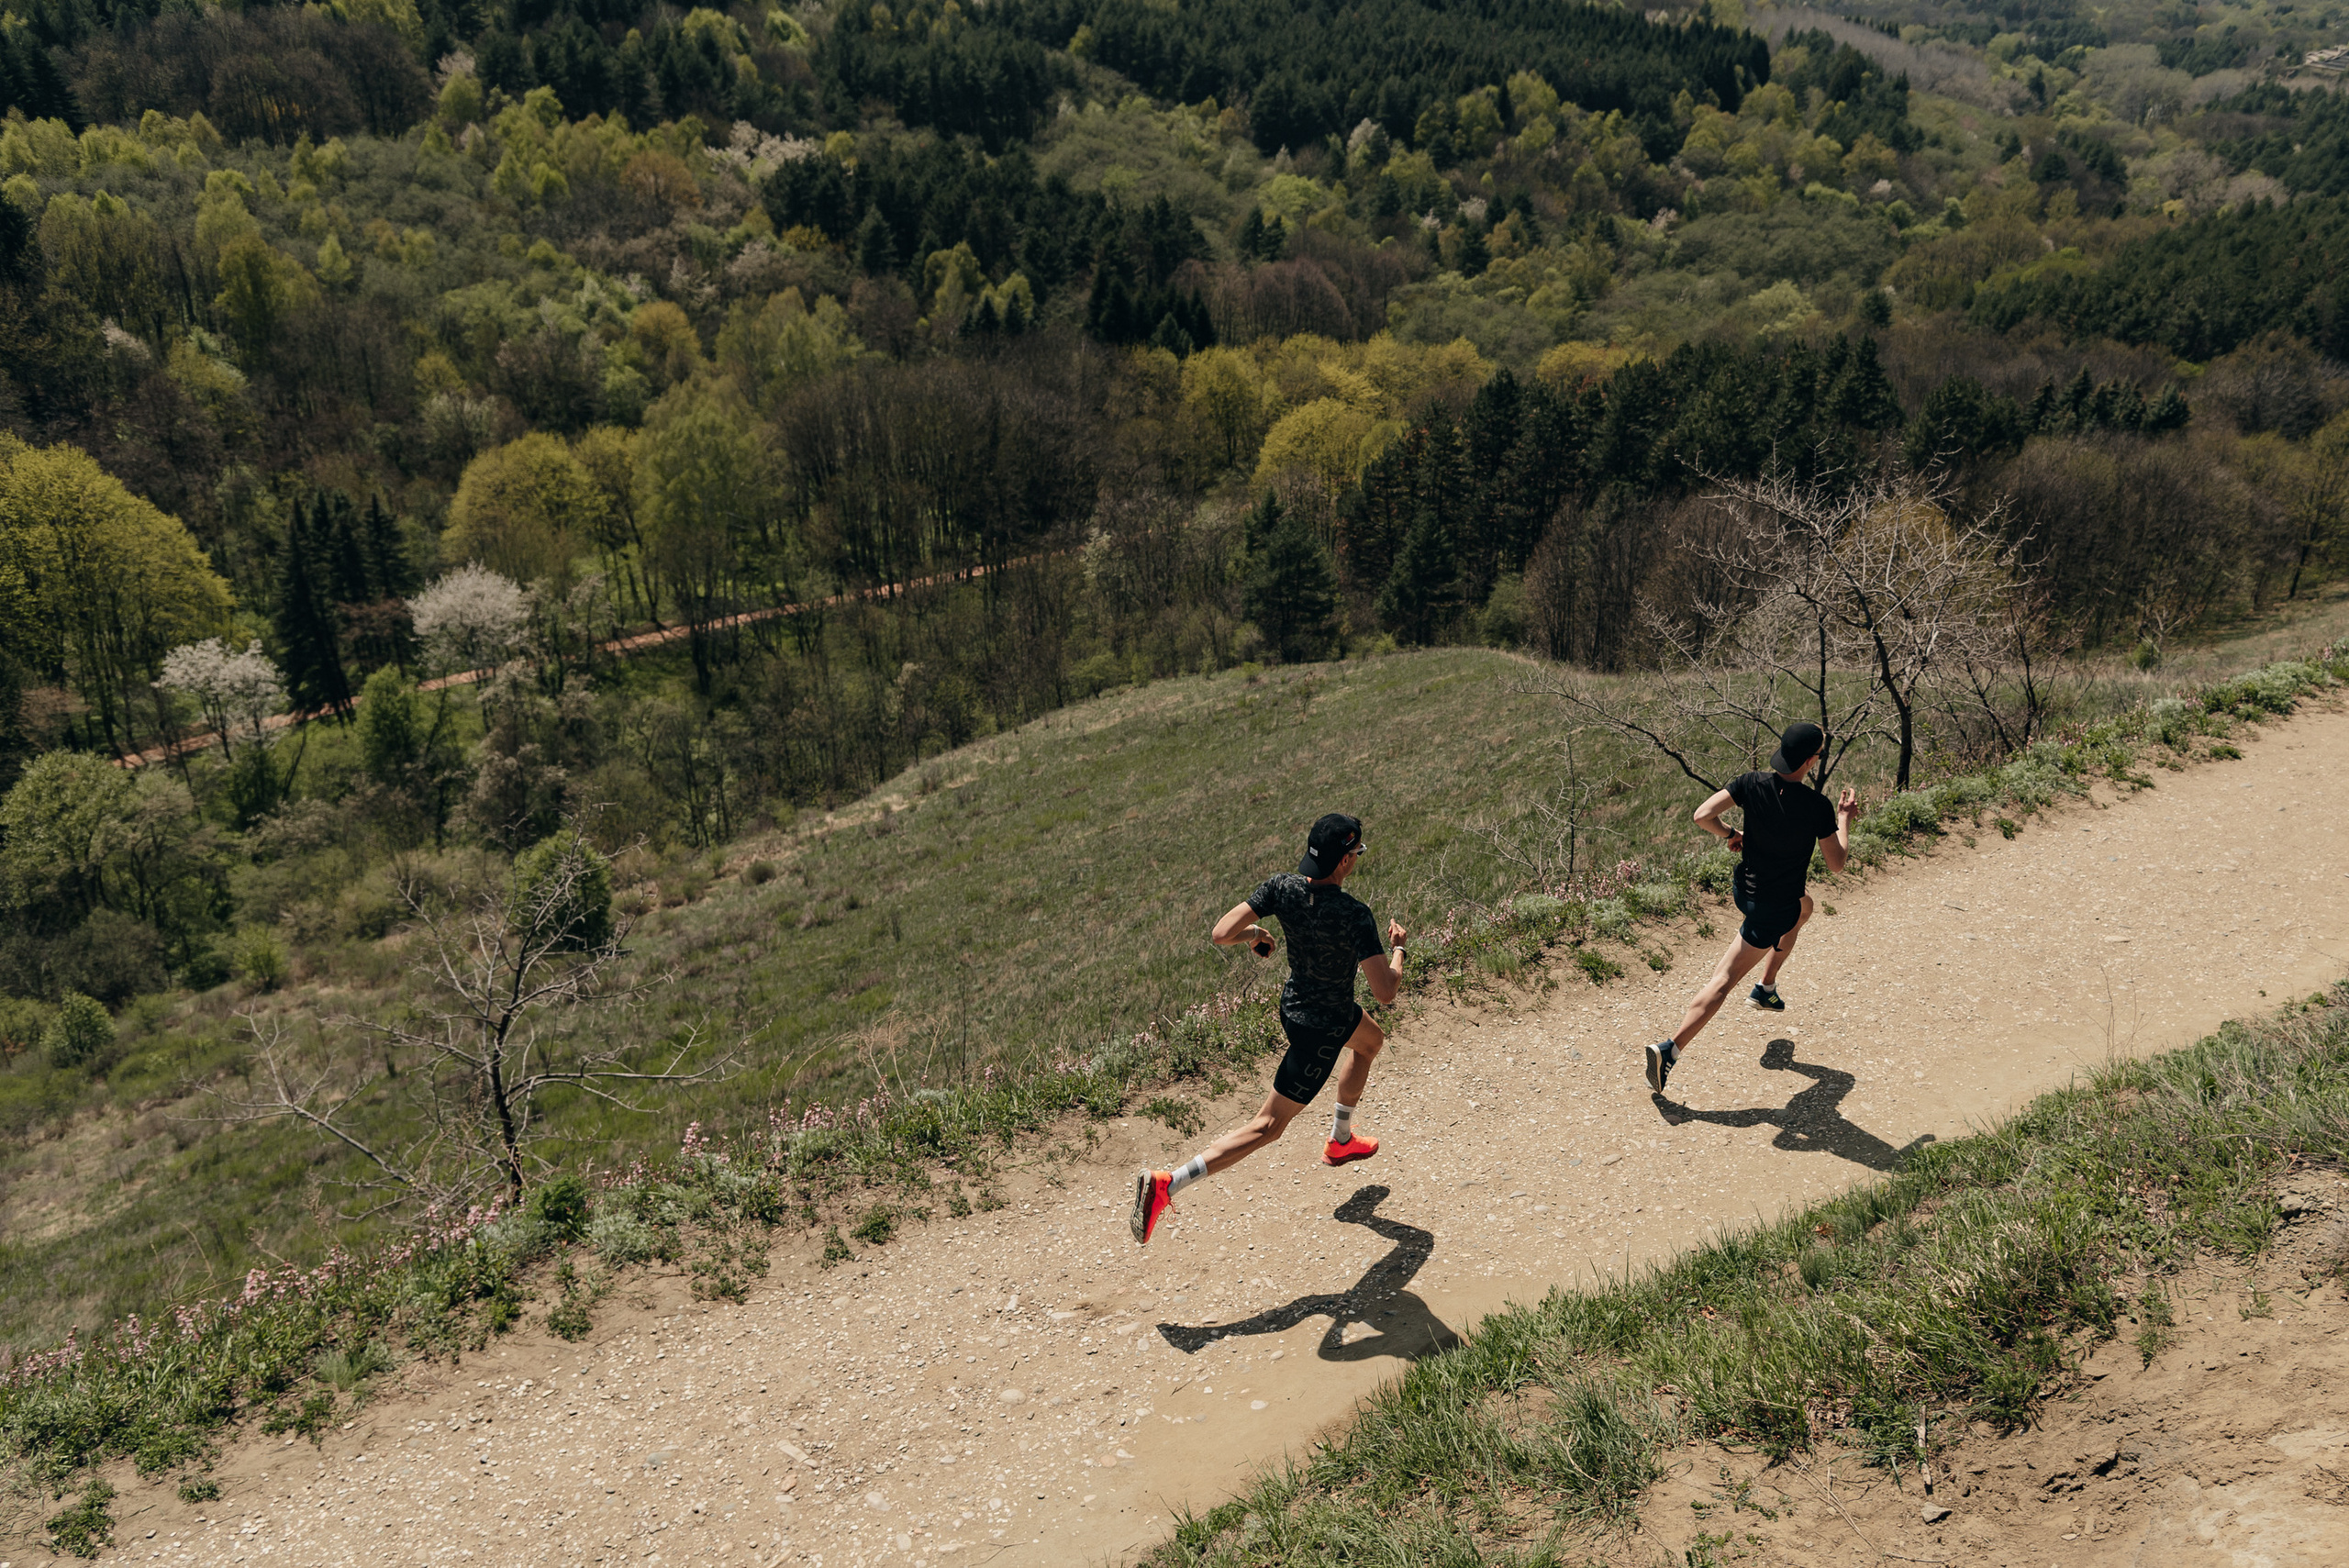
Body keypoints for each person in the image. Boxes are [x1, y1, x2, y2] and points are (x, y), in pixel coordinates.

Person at [1130, 813, 1408, 1244]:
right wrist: (1399, 950)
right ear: (1345, 861)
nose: (1356, 858)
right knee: (1268, 1126)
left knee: (1370, 1041)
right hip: (1323, 1029)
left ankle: (1340, 1140)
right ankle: (1169, 1183)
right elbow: (1385, 991)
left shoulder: (1281, 887)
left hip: (1294, 1007)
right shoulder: (1354, 914)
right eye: (1356, 852)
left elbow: (1222, 933)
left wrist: (1257, 934)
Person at [1645, 721, 1859, 1095]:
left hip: (1746, 889)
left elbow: (1702, 816)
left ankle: (1766, 987)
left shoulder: (1750, 783)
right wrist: (1843, 819)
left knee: (1804, 907)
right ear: (1810, 761)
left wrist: (1731, 834)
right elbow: (1836, 863)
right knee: (1723, 981)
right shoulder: (1817, 807)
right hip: (1771, 909)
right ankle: (1670, 1049)